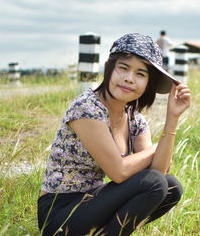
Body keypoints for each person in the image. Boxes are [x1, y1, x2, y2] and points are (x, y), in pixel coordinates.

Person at [37, 33, 191, 236]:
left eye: (141, 74)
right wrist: (156, 148)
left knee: (171, 187)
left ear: (148, 84)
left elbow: (158, 171)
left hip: (94, 202)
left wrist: (172, 118)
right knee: (154, 183)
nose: (129, 78)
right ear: (110, 68)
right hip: (61, 212)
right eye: (123, 68)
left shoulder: (134, 119)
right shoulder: (87, 107)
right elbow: (118, 172)